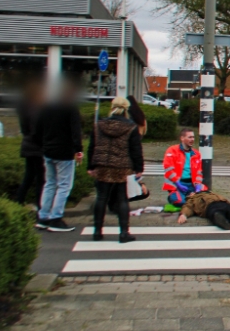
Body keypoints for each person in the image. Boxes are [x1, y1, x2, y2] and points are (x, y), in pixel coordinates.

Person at [87, 97, 144, 243]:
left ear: (112, 107)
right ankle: (124, 233)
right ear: (126, 109)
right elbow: (135, 149)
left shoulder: (99, 124)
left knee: (101, 198)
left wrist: (90, 166)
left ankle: (97, 231)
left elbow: (92, 146)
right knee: (122, 199)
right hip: (122, 166)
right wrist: (138, 168)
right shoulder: (131, 127)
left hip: (102, 165)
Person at [32, 80, 83, 232]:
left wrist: (43, 145)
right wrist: (78, 150)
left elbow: (37, 130)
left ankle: (43, 217)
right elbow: (75, 130)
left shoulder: (46, 107)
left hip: (48, 151)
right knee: (64, 185)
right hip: (64, 152)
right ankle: (56, 218)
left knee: (49, 184)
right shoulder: (70, 108)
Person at [15, 81, 45, 208]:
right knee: (40, 178)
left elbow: (25, 130)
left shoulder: (25, 108)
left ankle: (18, 202)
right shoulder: (35, 110)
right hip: (36, 148)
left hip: (27, 145)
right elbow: (36, 130)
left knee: (29, 176)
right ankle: (39, 205)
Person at [162, 128, 205, 207]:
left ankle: (191, 197)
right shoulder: (172, 150)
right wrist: (178, 184)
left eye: (193, 137)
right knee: (180, 202)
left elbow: (199, 172)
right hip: (177, 185)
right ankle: (183, 197)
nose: (192, 139)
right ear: (182, 138)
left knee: (206, 199)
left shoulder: (196, 154)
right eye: (190, 137)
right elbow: (168, 169)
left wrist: (198, 187)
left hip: (192, 184)